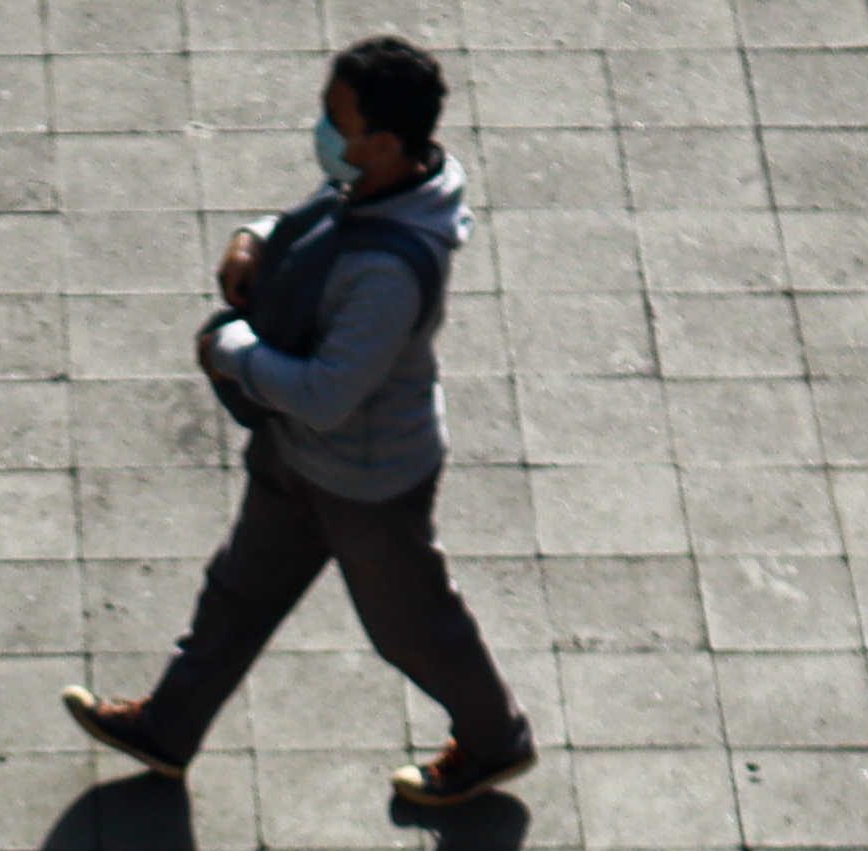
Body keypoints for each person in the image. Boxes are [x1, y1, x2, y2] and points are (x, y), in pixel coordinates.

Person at [61, 35, 536, 809]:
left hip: (367, 483)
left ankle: (495, 741)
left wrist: (233, 351)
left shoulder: (390, 272)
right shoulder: (374, 186)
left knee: (414, 630)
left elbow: (325, 393)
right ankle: (167, 730)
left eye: (334, 118)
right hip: (300, 458)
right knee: (237, 593)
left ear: (382, 142)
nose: (322, 128)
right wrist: (255, 237)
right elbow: (314, 226)